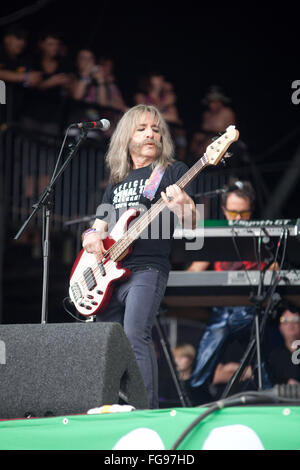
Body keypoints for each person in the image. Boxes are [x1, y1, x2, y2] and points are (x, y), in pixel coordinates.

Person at [81, 104, 199, 408]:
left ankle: (145, 411)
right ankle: (107, 405)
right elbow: (97, 228)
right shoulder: (117, 181)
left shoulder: (172, 171)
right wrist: (90, 237)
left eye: (156, 129)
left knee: (135, 335)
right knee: (106, 343)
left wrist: (183, 202)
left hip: (147, 268)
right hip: (109, 273)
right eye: (142, 128)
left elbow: (192, 223)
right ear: (127, 136)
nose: (151, 134)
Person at [189, 180, 274, 398]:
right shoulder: (215, 236)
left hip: (252, 309)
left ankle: (270, 405)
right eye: (233, 212)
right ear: (224, 210)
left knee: (263, 372)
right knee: (198, 377)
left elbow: (277, 268)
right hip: (222, 309)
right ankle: (200, 410)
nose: (237, 218)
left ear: (251, 210)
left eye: (243, 213)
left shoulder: (265, 235)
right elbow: (194, 272)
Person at [21, 32, 72, 135]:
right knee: (26, 146)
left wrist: (67, 85)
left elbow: (69, 89)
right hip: (30, 114)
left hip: (53, 117)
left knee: (48, 148)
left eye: (57, 44)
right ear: (41, 44)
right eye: (50, 44)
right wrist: (50, 82)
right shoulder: (32, 61)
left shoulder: (64, 64)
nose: (54, 48)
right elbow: (29, 84)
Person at [0, 25, 41, 124]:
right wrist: (24, 77)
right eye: (18, 38)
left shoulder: (25, 58)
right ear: (7, 39)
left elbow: (35, 79)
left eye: (24, 39)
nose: (22, 43)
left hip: (14, 114)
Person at [267, 304, 300, 385]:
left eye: (295, 320)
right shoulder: (274, 356)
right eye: (285, 320)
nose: (290, 325)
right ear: (280, 327)